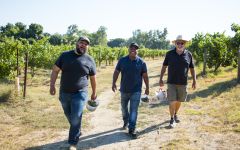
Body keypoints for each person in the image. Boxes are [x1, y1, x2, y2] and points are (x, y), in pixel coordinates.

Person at [49, 36, 97, 150]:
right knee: (68, 113)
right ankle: (77, 130)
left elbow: (93, 78)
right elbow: (55, 71)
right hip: (64, 92)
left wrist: (94, 92)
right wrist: (52, 85)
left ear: (87, 46)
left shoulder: (89, 60)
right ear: (77, 43)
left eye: (86, 44)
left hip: (80, 93)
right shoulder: (65, 55)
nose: (83, 45)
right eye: (81, 43)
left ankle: (73, 143)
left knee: (76, 116)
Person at [112, 42, 149, 139]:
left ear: (137, 50)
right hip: (124, 90)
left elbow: (145, 76)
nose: (133, 49)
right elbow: (116, 72)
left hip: (136, 91)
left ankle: (132, 129)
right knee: (124, 109)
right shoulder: (122, 60)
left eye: (135, 48)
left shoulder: (141, 62)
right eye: (131, 48)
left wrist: (147, 88)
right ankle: (126, 121)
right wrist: (113, 83)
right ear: (128, 49)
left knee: (134, 110)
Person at [159, 35, 196, 128]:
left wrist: (194, 80)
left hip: (183, 83)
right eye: (178, 43)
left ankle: (175, 114)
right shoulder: (169, 54)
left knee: (179, 101)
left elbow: (192, 68)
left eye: (182, 43)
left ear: (185, 44)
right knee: (172, 101)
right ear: (175, 44)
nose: (180, 45)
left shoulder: (189, 55)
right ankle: (171, 119)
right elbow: (164, 67)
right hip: (171, 82)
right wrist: (161, 78)